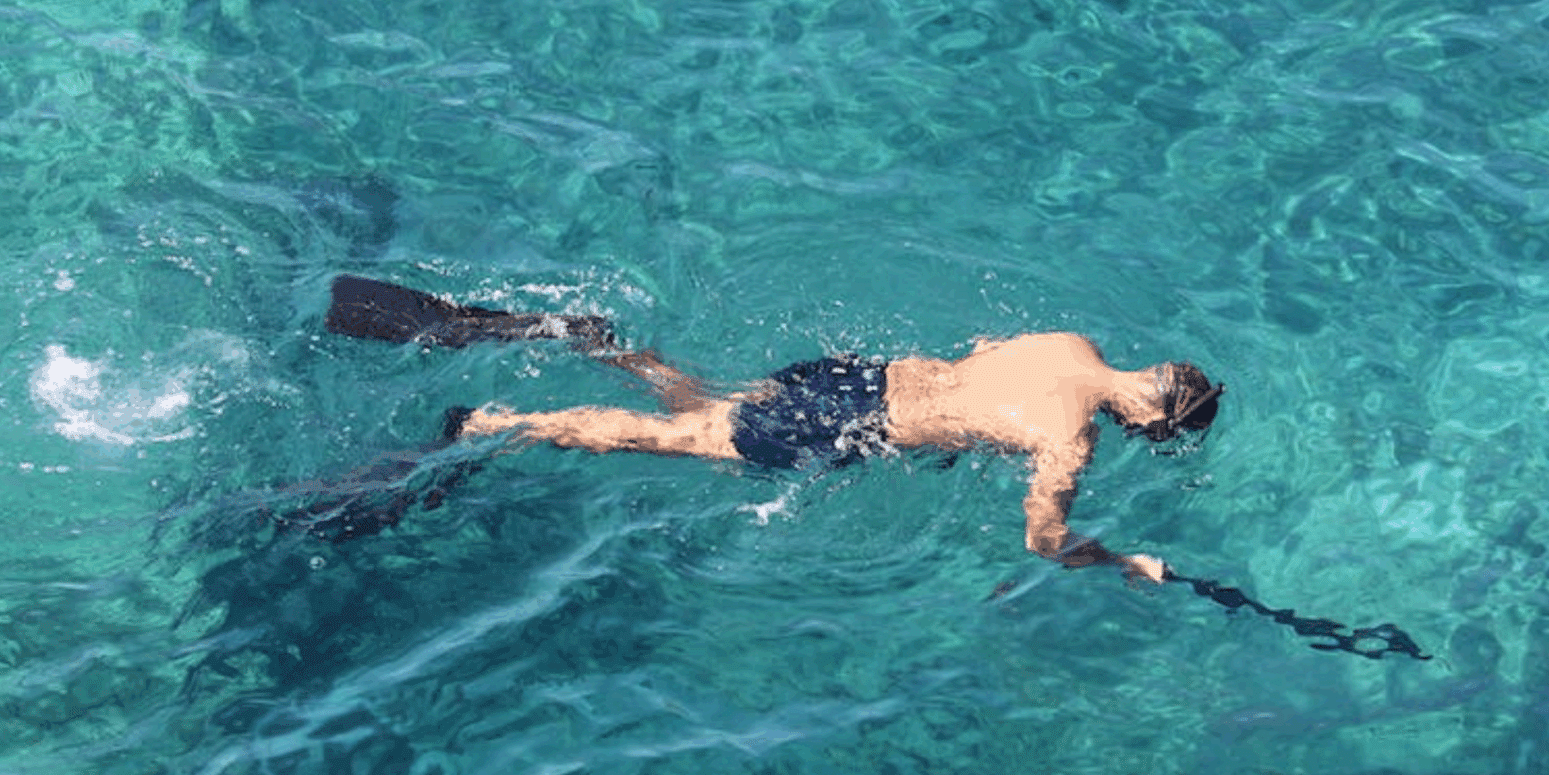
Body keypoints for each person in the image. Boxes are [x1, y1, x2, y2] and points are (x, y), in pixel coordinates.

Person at [322, 276, 1223, 581]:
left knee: (711, 404)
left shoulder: (1071, 342)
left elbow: (983, 359)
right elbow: (1042, 537)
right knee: (681, 439)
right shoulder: (1073, 439)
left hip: (854, 375)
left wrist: (966, 431)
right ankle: (500, 421)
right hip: (857, 422)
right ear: (1150, 417)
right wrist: (1118, 561)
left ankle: (598, 340)